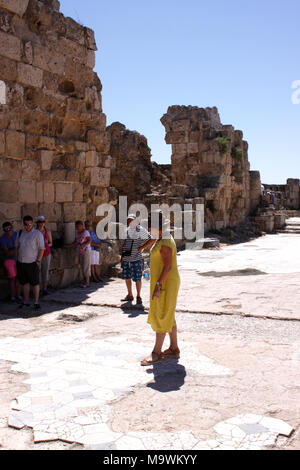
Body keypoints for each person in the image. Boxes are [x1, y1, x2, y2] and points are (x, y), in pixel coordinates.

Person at [140, 212, 181, 366]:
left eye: (150, 228)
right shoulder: (161, 238)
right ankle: (174, 348)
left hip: (166, 282)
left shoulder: (164, 242)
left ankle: (156, 352)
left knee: (162, 313)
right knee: (169, 313)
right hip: (164, 280)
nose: (149, 231)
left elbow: (168, 267)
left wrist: (158, 286)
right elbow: (152, 241)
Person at [121, 214, 152, 305]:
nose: (129, 222)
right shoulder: (126, 230)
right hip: (126, 258)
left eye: (131, 220)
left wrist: (142, 247)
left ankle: (138, 296)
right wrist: (122, 257)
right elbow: (124, 244)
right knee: (127, 277)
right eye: (128, 220)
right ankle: (130, 294)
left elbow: (151, 238)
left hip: (136, 258)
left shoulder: (140, 230)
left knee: (137, 278)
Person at [16, 215, 45, 310]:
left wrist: (38, 261)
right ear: (23, 224)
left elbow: (42, 248)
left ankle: (36, 302)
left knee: (35, 283)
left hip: (33, 262)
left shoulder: (37, 234)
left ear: (32, 223)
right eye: (26, 224)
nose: (28, 226)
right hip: (21, 262)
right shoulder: (20, 233)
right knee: (24, 283)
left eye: (29, 224)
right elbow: (17, 246)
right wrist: (17, 259)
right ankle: (26, 301)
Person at [0, 222, 21, 302]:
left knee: (18, 278)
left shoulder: (17, 234)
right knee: (12, 278)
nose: (7, 231)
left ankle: (18, 295)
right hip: (9, 260)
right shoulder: (2, 239)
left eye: (8, 229)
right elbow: (7, 253)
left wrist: (14, 249)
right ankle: (13, 296)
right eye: (5, 230)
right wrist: (16, 248)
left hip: (19, 259)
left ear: (12, 227)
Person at [66, 221, 91, 288]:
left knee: (86, 266)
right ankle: (84, 281)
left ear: (82, 226)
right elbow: (76, 242)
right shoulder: (77, 233)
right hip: (80, 251)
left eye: (78, 226)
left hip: (86, 251)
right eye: (76, 227)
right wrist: (68, 245)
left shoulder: (86, 232)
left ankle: (87, 282)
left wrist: (83, 245)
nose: (77, 228)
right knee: (82, 266)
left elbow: (89, 240)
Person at [36, 216, 52, 296]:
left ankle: (44, 289)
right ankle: (37, 289)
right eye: (40, 222)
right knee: (37, 271)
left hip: (46, 253)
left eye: (43, 222)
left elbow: (51, 242)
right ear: (37, 223)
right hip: (37, 254)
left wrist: (46, 245)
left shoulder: (47, 231)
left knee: (45, 271)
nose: (41, 223)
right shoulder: (35, 232)